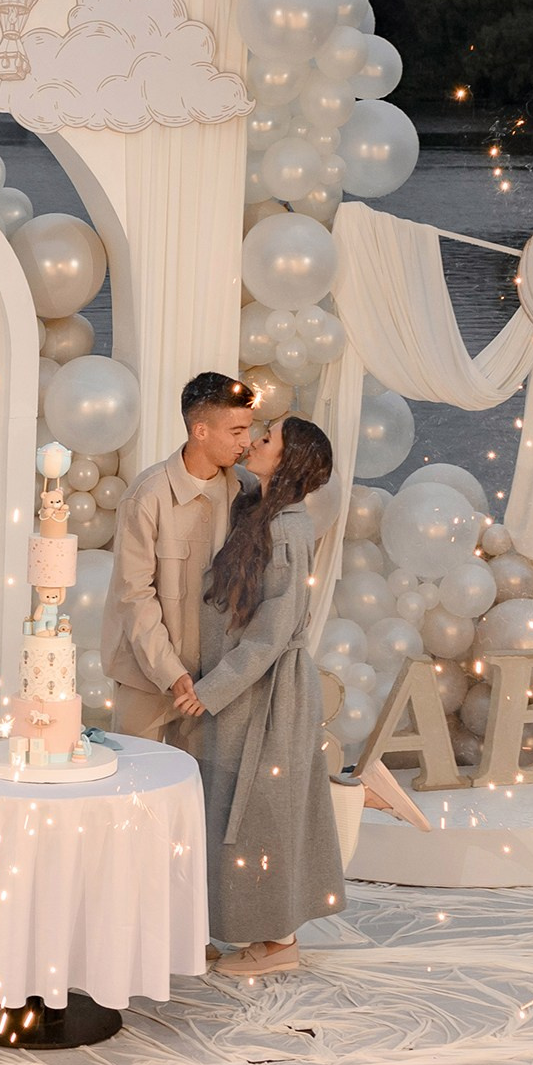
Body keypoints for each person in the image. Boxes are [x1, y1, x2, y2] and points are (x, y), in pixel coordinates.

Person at [181, 414, 345, 978]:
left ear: (289, 461)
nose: (254, 441)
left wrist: (212, 689)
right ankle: (253, 930)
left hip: (271, 694)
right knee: (238, 809)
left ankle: (278, 942)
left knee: (264, 816)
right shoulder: (260, 509)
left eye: (266, 438)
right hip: (250, 689)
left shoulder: (289, 532)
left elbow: (274, 631)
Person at [101, 372, 255, 744]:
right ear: (200, 431)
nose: (246, 442)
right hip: (145, 677)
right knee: (136, 785)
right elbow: (133, 594)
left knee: (199, 793)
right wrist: (171, 673)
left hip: (211, 684)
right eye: (235, 431)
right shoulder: (148, 495)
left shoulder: (248, 491)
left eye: (249, 429)